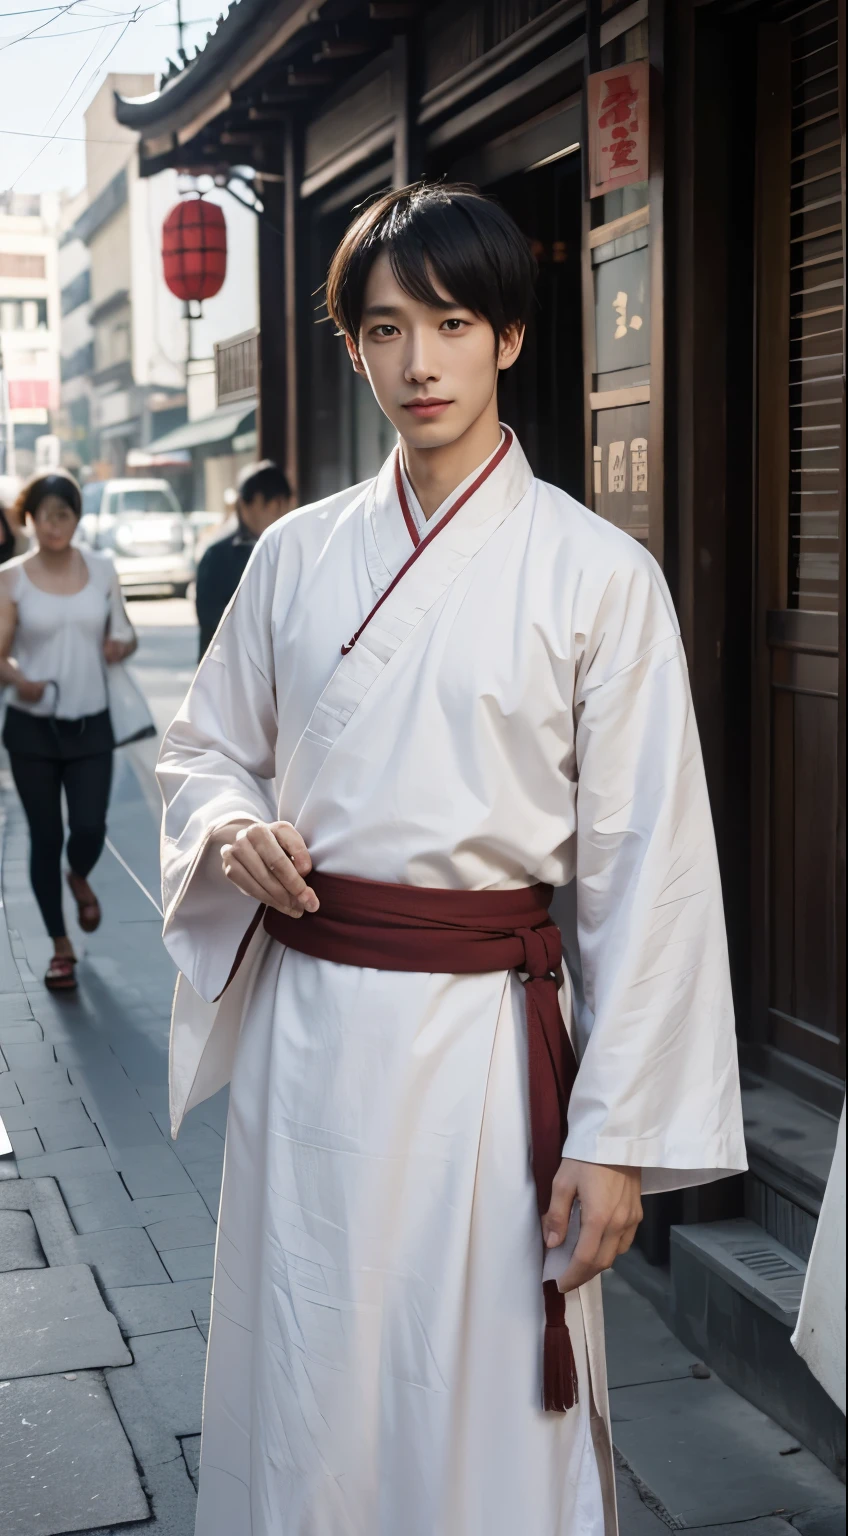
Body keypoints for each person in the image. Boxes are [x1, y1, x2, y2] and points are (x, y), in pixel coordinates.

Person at [157, 184, 747, 1536]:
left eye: (453, 321)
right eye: (383, 329)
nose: (418, 362)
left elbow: (648, 870)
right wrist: (226, 824)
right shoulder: (295, 560)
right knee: (312, 1369)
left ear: (512, 340)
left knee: (476, 1388)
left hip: (489, 1055)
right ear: (351, 348)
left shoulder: (599, 578)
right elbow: (201, 751)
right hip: (312, 1041)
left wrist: (616, 1139)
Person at [0, 472, 136, 991]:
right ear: (29, 518)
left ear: (77, 518)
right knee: (45, 836)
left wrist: (120, 646)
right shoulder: (11, 577)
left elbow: (125, 632)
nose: (56, 524)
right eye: (46, 514)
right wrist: (20, 679)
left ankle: (78, 874)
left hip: (90, 723)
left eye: (65, 513)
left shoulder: (102, 569)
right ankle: (60, 948)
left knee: (88, 827)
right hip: (32, 728)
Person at [194, 459, 291, 658]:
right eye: (276, 505)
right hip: (227, 670)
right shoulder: (217, 555)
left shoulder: (291, 550)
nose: (283, 512)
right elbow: (211, 618)